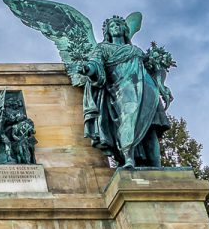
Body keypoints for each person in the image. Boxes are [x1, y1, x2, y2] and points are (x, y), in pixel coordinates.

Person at [73, 16, 170, 168]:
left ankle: (157, 166)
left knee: (151, 128)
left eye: (119, 24)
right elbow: (95, 64)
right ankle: (128, 158)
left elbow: (153, 68)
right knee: (127, 119)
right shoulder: (103, 48)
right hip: (122, 89)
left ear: (125, 29)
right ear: (108, 31)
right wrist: (86, 68)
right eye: (112, 26)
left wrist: (161, 83)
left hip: (147, 88)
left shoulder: (135, 49)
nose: (116, 27)